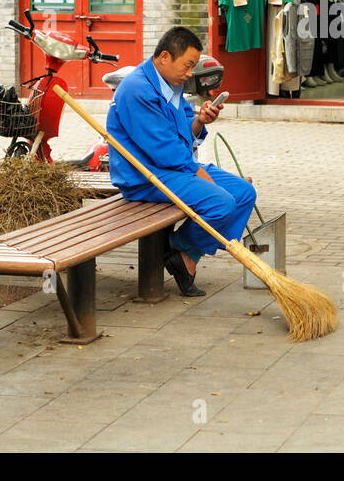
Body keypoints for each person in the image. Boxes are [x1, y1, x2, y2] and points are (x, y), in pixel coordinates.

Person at [107, 26, 257, 296]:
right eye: (187, 66)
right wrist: (197, 172)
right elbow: (163, 151)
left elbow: (183, 133)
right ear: (165, 57)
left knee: (244, 193)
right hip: (144, 176)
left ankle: (183, 250)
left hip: (173, 169)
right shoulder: (137, 89)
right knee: (222, 202)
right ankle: (181, 252)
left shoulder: (172, 85)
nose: (190, 74)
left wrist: (199, 121)